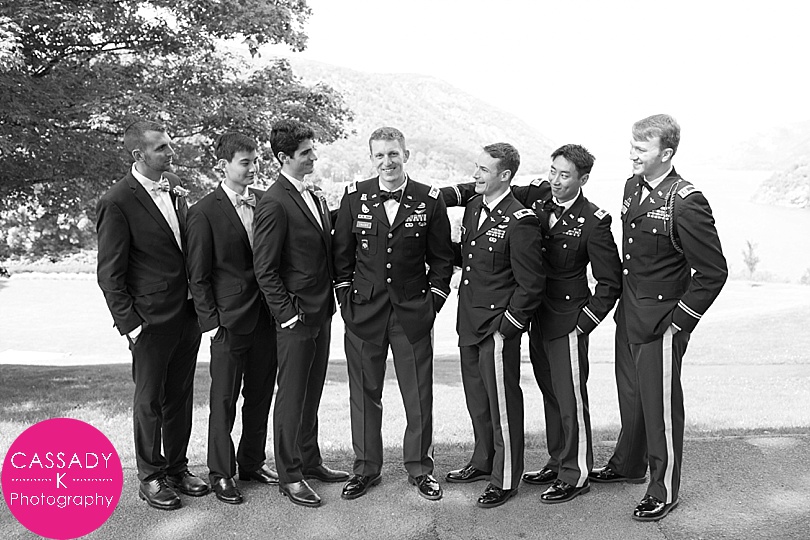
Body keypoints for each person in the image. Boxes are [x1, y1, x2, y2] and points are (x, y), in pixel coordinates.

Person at [442, 144, 622, 504]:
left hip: (566, 319)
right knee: (551, 394)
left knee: (570, 399)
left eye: (565, 175)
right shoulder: (537, 200)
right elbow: (489, 186)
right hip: (537, 317)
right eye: (553, 171)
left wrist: (583, 323)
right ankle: (556, 461)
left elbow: (610, 282)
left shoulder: (593, 221)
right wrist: (437, 195)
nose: (555, 180)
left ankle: (575, 473)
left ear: (583, 179)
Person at [589, 114, 727, 521]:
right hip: (630, 314)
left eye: (641, 149)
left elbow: (713, 272)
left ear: (665, 153)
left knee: (660, 407)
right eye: (631, 146)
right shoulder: (632, 186)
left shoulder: (685, 200)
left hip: (662, 322)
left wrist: (679, 322)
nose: (632, 155)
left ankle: (662, 489)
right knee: (632, 399)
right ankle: (628, 464)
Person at [332, 127, 454, 501]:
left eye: (393, 154)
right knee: (363, 394)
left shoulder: (429, 199)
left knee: (418, 395)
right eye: (380, 155)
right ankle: (366, 469)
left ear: (406, 155)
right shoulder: (354, 197)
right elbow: (341, 258)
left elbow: (442, 260)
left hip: (412, 313)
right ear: (371, 158)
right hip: (364, 312)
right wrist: (346, 304)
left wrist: (432, 303)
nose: (387, 162)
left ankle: (420, 469)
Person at [96, 120, 208, 510]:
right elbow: (110, 275)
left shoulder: (174, 186)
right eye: (161, 148)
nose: (170, 152)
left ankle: (177, 468)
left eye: (169, 145)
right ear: (138, 154)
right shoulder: (116, 201)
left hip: (187, 314)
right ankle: (150, 477)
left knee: (180, 396)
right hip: (149, 321)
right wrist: (132, 326)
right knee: (149, 401)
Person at [252, 119, 349, 508]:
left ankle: (310, 461)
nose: (313, 157)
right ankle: (290, 476)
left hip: (321, 312)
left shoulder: (314, 196)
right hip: (295, 318)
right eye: (306, 152)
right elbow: (265, 268)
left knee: (311, 393)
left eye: (313, 150)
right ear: (283, 157)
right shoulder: (274, 202)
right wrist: (287, 315)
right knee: (291, 397)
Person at [446, 143, 545, 508]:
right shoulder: (474, 207)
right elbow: (468, 258)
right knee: (478, 400)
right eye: (477, 167)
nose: (476, 174)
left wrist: (508, 326)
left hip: (497, 327)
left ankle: (505, 478)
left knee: (503, 404)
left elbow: (531, 283)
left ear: (504, 175)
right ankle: (483, 460)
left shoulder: (521, 220)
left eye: (483, 170)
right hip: (469, 319)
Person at [185, 132, 279, 505]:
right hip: (227, 322)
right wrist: (210, 324)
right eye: (245, 162)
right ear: (223, 166)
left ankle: (252, 462)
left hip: (266, 317)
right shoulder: (203, 212)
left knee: (260, 395)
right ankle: (221, 472)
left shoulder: (266, 202)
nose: (253, 168)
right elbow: (197, 275)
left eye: (256, 161)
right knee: (223, 400)